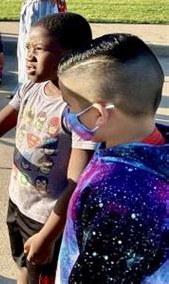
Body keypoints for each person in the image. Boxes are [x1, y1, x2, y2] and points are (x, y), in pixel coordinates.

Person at [0, 13, 96, 284]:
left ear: (72, 55)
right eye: (28, 48)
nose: (28, 56)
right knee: (23, 265)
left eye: (38, 49)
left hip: (49, 218)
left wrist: (49, 235)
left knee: (39, 276)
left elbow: (77, 184)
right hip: (19, 202)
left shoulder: (80, 110)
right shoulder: (30, 88)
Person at [56, 34, 168, 283]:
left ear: (98, 115)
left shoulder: (119, 199)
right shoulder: (146, 144)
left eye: (70, 106)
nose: (68, 114)